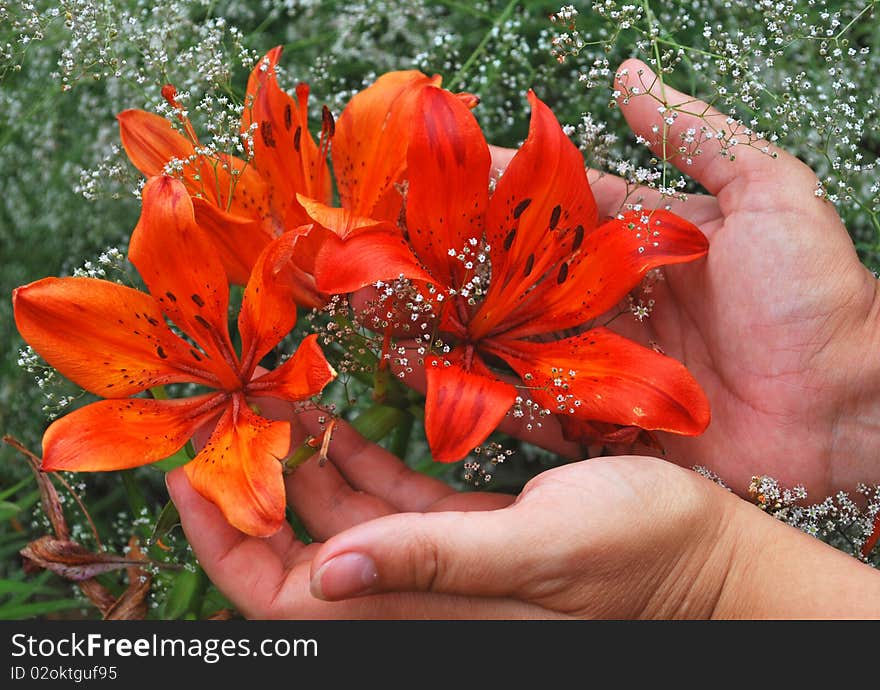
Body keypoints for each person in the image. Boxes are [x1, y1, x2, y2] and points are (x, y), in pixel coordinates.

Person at [166, 59, 880, 619]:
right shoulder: (365, 271)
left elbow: (648, 255)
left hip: (503, 346)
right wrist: (843, 385)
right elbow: (363, 264)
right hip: (478, 334)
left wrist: (713, 583)